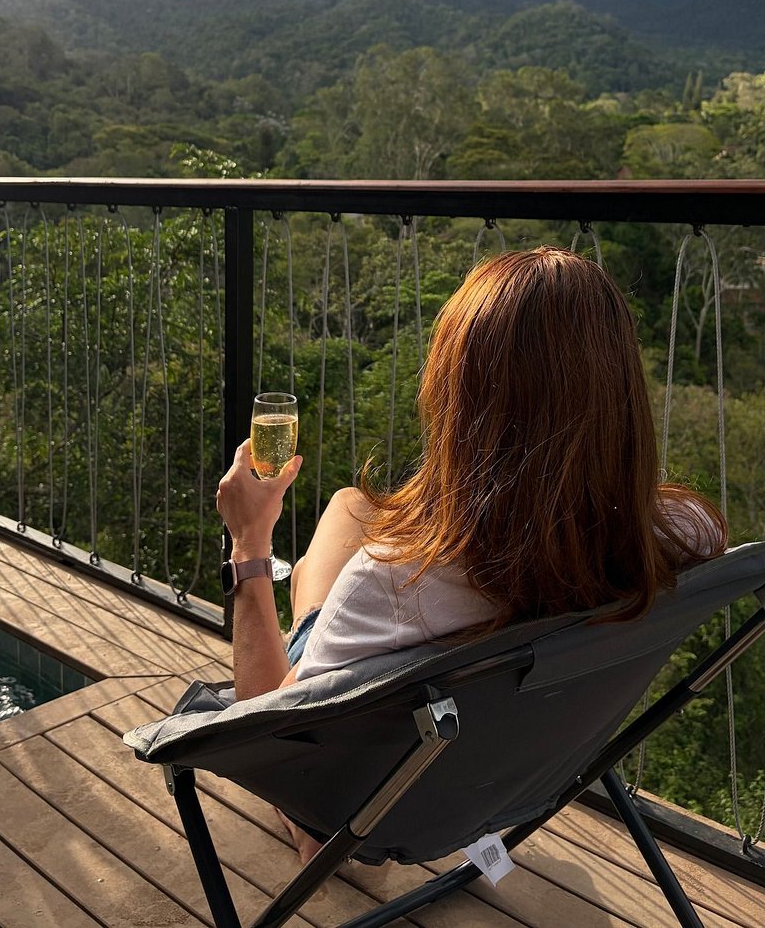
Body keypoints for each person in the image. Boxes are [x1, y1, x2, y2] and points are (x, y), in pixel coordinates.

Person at [217, 247, 727, 859]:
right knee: (351, 506)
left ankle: (308, 635)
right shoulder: (685, 534)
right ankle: (312, 618)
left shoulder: (392, 583)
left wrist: (249, 542)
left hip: (373, 788)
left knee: (310, 576)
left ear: (460, 398)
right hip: (512, 763)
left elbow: (265, 732)